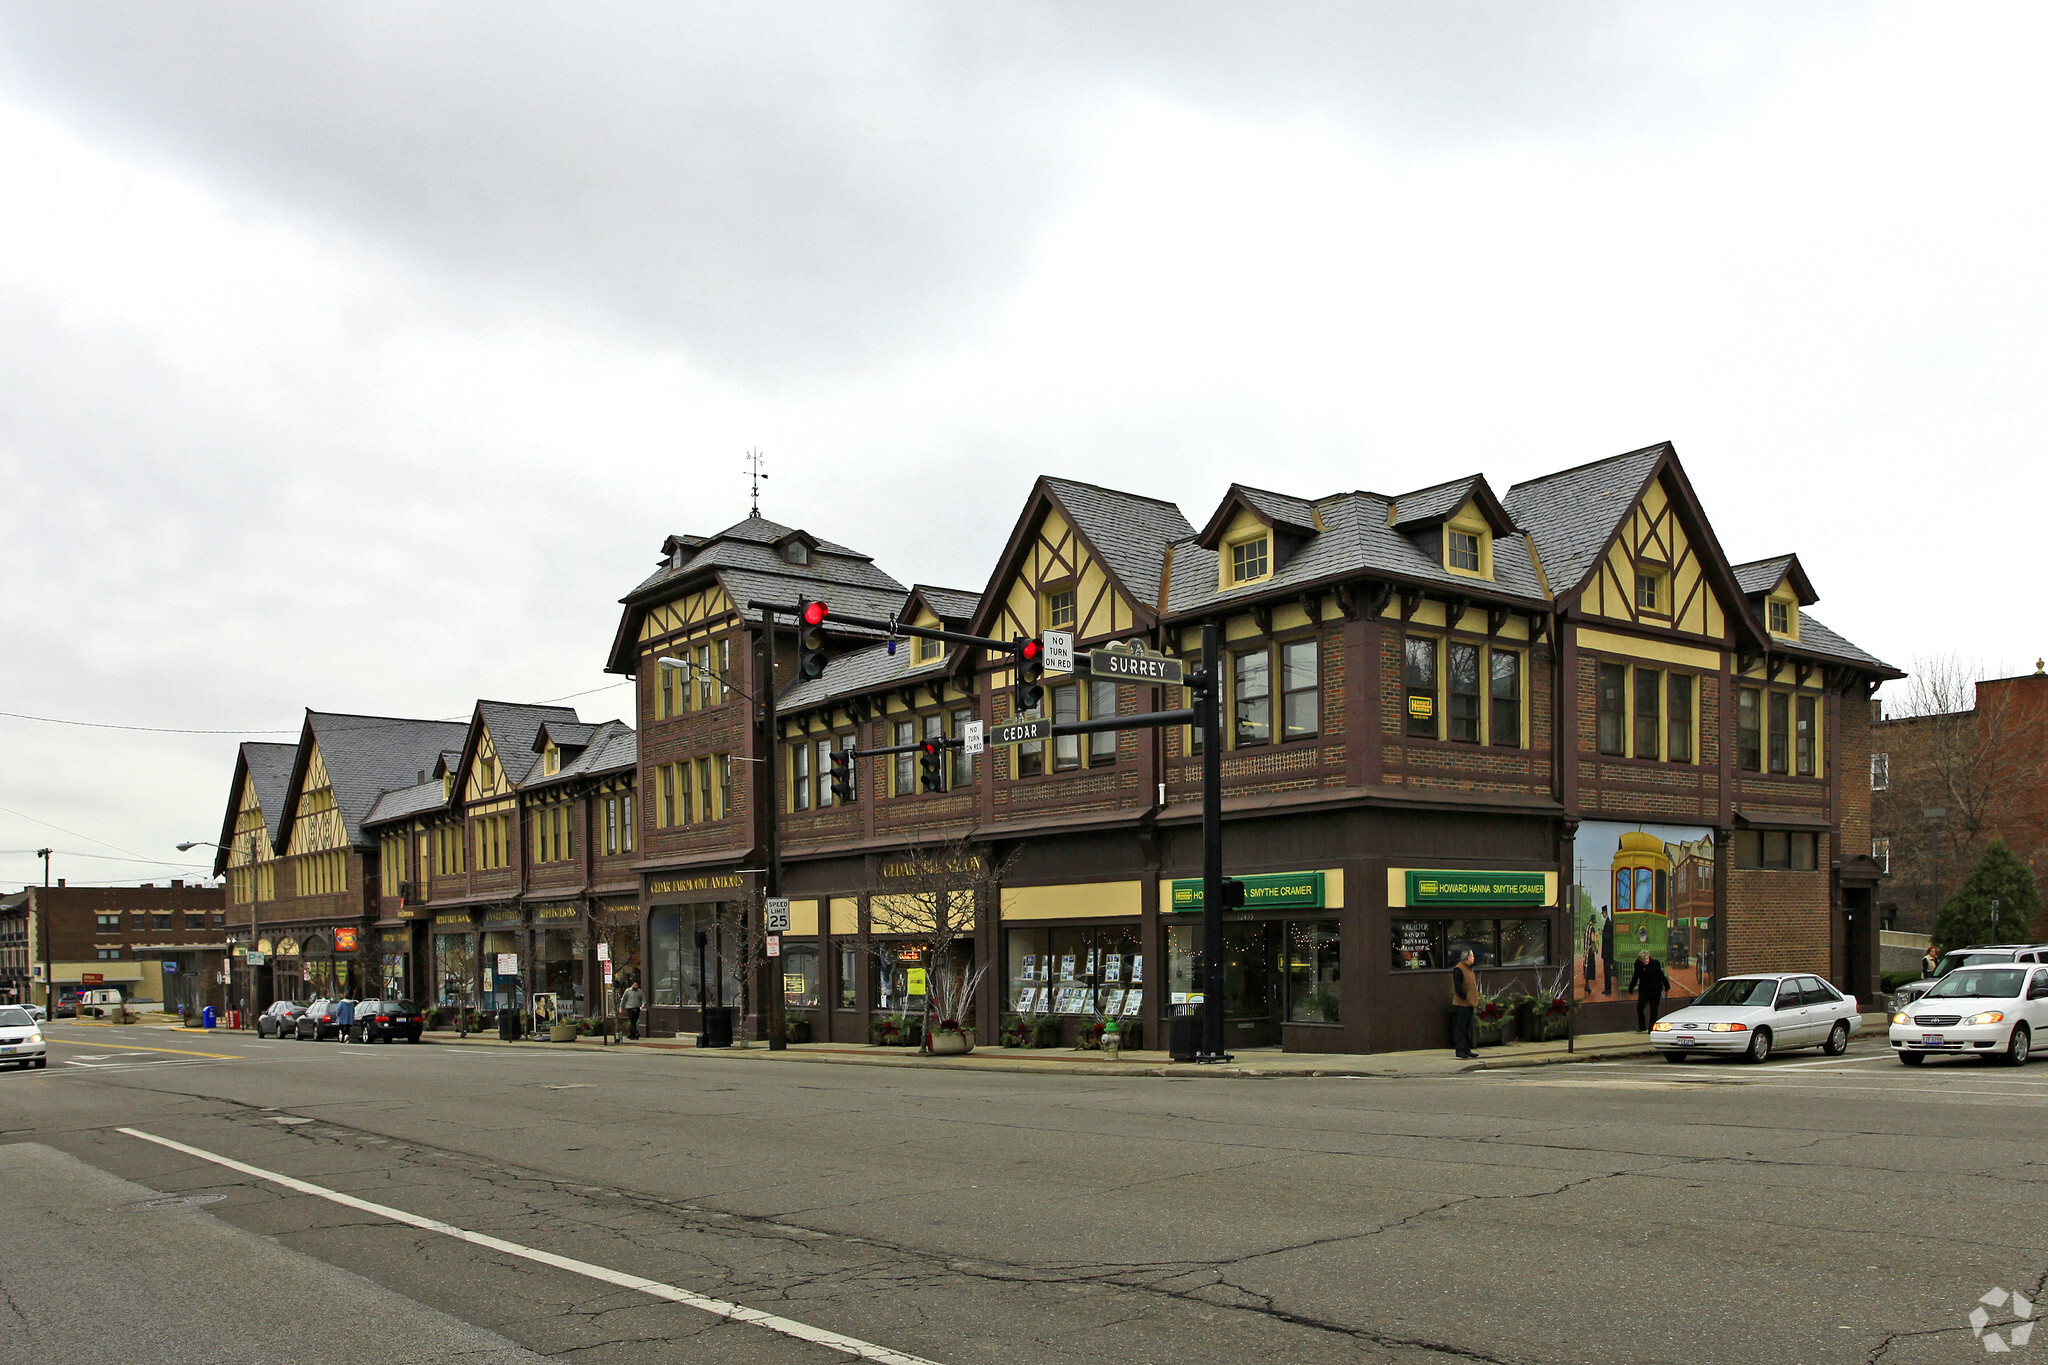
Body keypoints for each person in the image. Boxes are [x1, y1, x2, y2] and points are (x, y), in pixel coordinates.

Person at [1449, 948, 1480, 1060]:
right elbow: (1457, 987)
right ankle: (1460, 1050)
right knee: (1461, 1027)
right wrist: (1465, 997)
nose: (1473, 958)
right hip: (1462, 1004)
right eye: (1472, 956)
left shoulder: (1469, 969)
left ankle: (1467, 1050)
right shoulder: (1459, 969)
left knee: (1468, 1028)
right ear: (1467, 958)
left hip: (1470, 1003)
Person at [1627, 951, 1668, 1032]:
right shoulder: (1638, 965)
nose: (1646, 961)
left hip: (1655, 990)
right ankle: (1642, 1026)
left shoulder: (1655, 963)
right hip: (1644, 990)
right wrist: (1631, 987)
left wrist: (1666, 985)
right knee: (1640, 1008)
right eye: (1643, 960)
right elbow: (1635, 976)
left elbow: (1660, 975)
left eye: (1646, 959)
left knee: (1654, 1010)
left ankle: (1651, 1028)